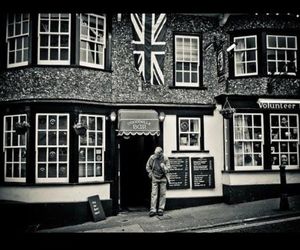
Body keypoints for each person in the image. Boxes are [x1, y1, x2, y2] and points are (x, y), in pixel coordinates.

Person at [146, 146, 171, 217]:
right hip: (155, 177)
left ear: (161, 153)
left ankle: (161, 209)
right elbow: (148, 166)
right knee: (154, 194)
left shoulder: (165, 158)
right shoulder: (152, 158)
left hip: (163, 178)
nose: (155, 156)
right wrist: (150, 173)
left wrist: (164, 167)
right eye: (155, 154)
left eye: (157, 154)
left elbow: (168, 169)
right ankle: (153, 210)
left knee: (162, 194)